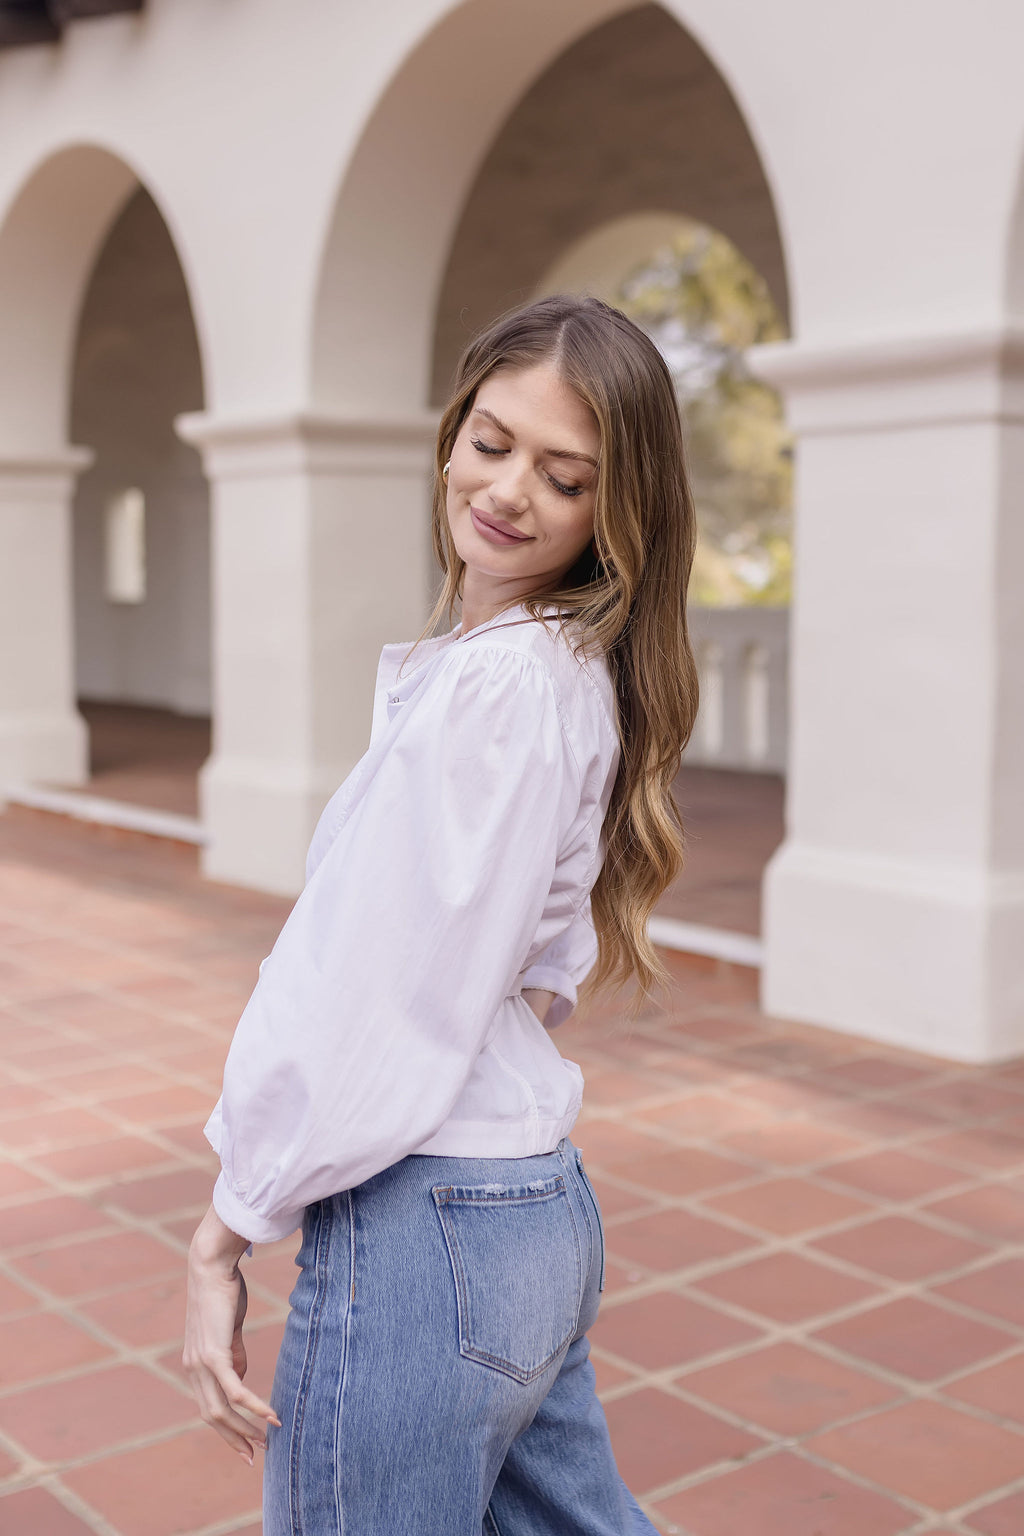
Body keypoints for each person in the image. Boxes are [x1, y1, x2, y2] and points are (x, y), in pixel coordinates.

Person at [183, 293, 699, 1534]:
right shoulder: (567, 675)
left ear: (611, 516)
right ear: (451, 432)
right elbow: (526, 969)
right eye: (490, 440)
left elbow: (369, 996)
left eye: (564, 476)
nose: (511, 489)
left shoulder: (498, 689)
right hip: (530, 1218)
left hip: (428, 1228)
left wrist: (226, 1228)